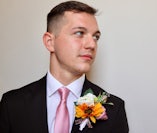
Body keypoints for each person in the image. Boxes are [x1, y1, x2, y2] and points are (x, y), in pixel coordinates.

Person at [0, 1, 129, 133]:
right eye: (79, 33)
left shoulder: (114, 110)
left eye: (96, 37)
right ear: (50, 42)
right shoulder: (12, 104)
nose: (91, 44)